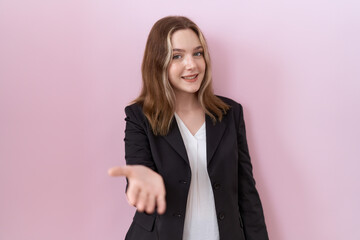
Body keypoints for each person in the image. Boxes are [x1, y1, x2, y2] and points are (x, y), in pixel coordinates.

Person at [108, 16, 269, 240]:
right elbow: (138, 171)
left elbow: (246, 192)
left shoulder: (230, 113)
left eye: (197, 53)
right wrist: (141, 181)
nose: (192, 64)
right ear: (158, 62)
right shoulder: (139, 117)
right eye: (177, 56)